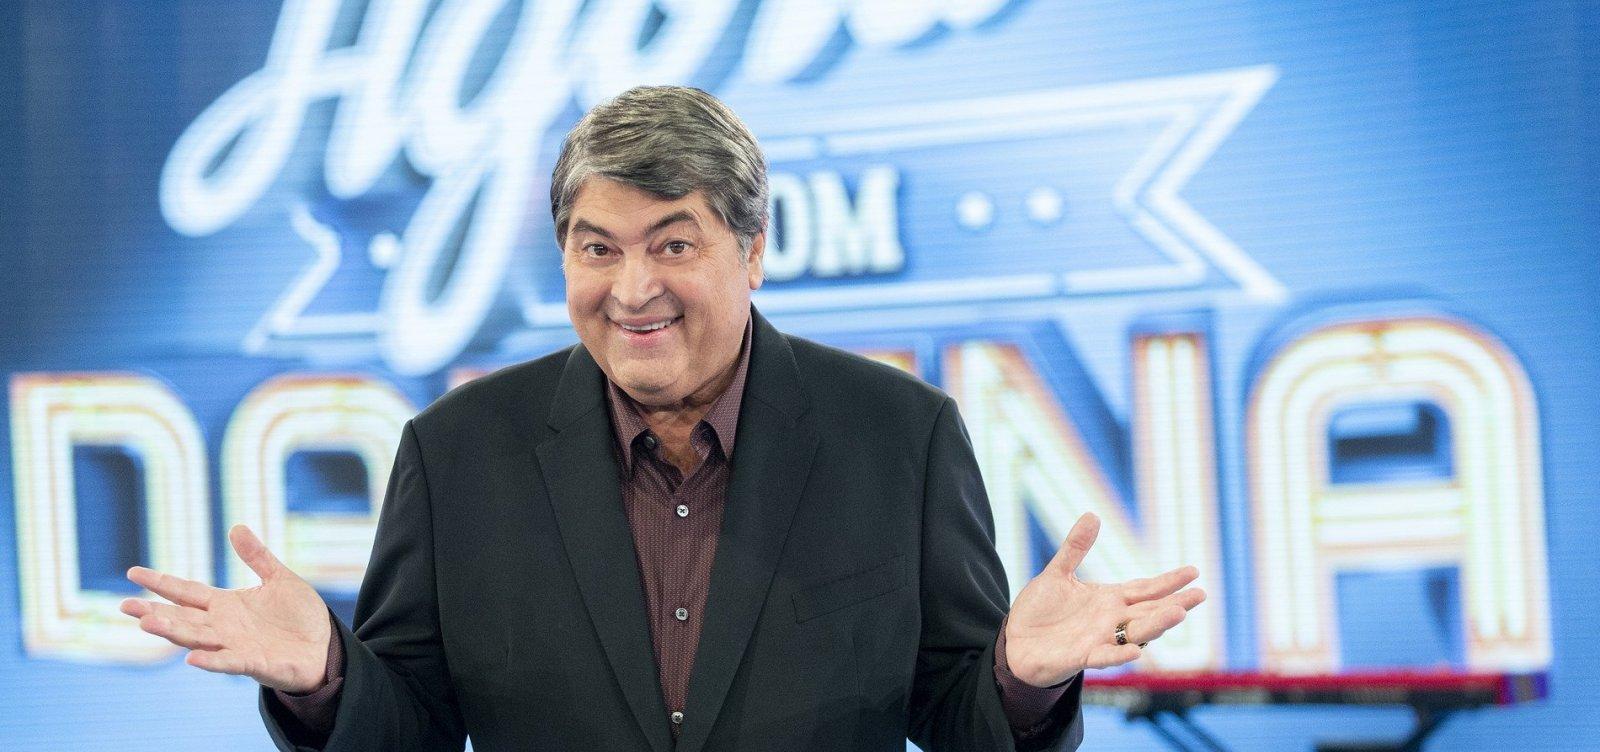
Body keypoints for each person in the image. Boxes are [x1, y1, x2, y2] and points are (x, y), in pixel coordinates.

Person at [120, 86, 1205, 752]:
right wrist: (328, 676)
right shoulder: (458, 453)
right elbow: (411, 727)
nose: (632, 288)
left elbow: (956, 717)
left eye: (673, 244)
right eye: (597, 247)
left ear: (753, 250)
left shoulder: (900, 436)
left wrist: (1020, 675)